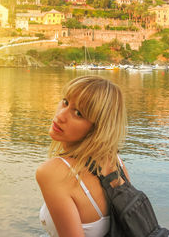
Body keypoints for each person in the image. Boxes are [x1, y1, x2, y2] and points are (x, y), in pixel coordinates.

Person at [36, 75, 130, 237]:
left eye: (78, 113)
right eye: (65, 102)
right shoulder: (115, 161)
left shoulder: (54, 172)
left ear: (98, 128)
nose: (60, 116)